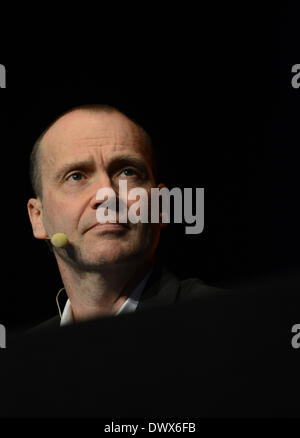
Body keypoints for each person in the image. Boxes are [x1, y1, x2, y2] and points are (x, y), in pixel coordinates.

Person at [27, 104, 220, 332]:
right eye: (76, 176)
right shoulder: (22, 358)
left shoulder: (224, 320)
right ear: (38, 218)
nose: (106, 194)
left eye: (128, 172)